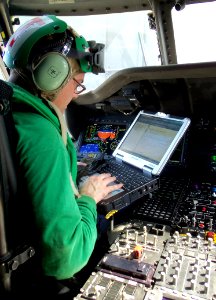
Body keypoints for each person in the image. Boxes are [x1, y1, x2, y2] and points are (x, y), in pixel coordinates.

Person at [3, 15, 123, 296]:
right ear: (51, 74)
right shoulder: (42, 136)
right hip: (32, 279)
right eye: (76, 84)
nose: (74, 95)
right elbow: (66, 259)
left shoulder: (10, 113)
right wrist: (88, 198)